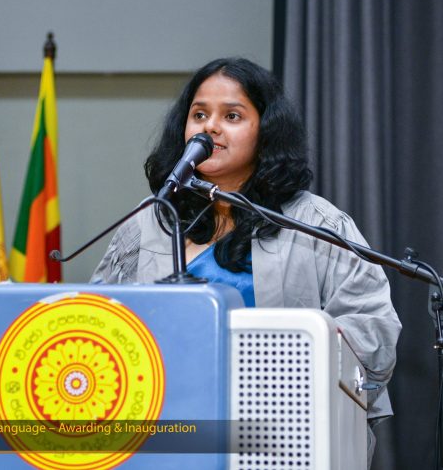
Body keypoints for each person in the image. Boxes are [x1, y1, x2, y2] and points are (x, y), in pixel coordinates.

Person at [91, 57, 401, 465]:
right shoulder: (151, 221)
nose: (210, 127)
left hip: (282, 438)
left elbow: (373, 329)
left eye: (232, 116)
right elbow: (99, 323)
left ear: (265, 131)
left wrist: (300, 359)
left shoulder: (316, 223)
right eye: (199, 114)